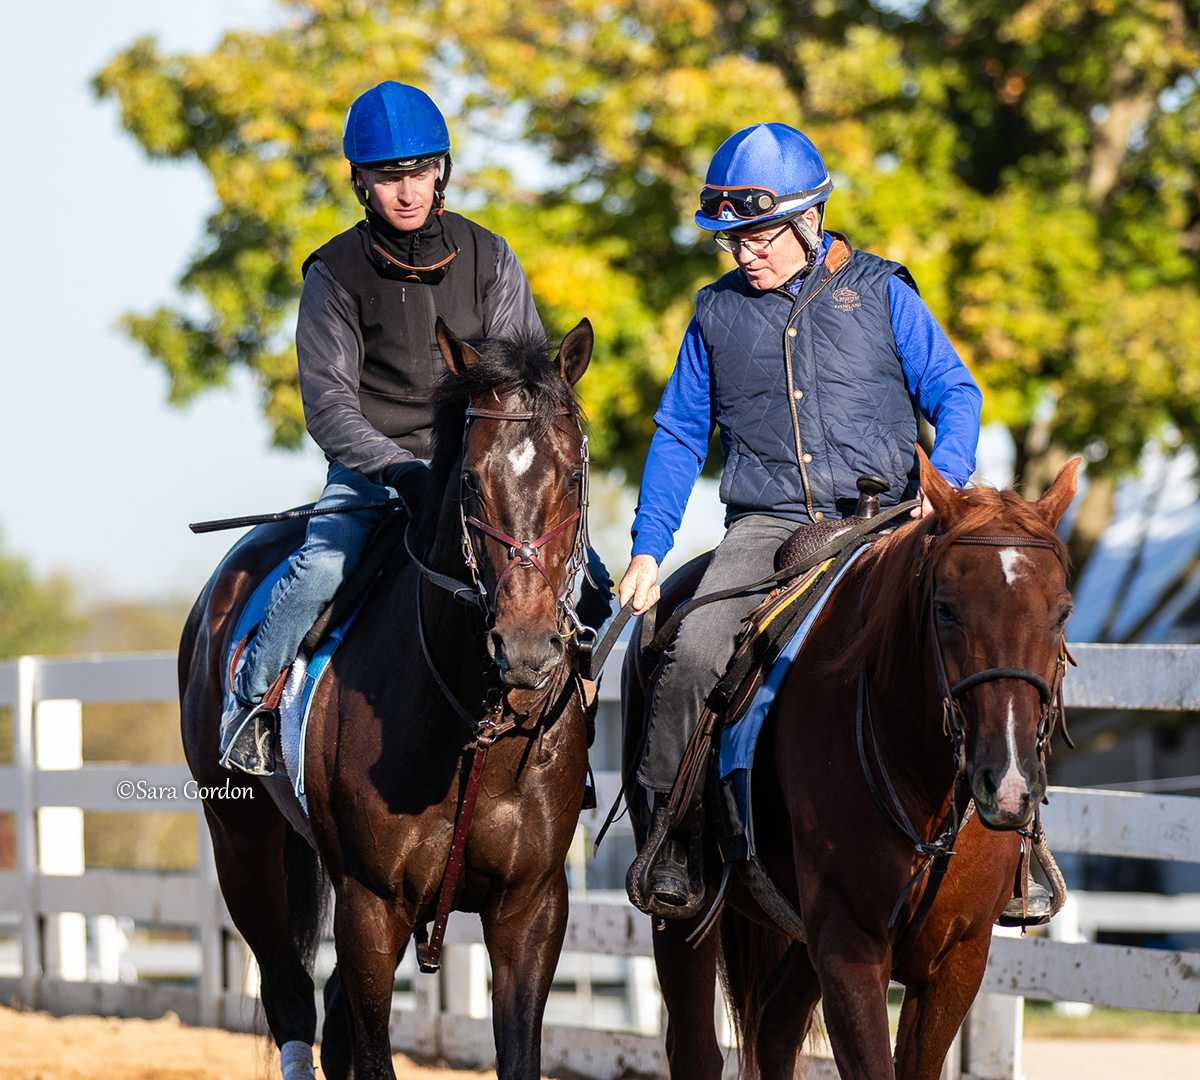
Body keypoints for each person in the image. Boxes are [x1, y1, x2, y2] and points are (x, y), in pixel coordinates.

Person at [618, 122, 984, 907]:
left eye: (755, 234)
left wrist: (944, 478)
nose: (743, 251)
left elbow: (956, 394)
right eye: (731, 240)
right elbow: (681, 432)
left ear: (808, 220)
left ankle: (1022, 846)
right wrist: (649, 547)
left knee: (986, 636)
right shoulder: (713, 314)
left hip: (888, 519)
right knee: (691, 651)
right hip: (765, 527)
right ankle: (674, 841)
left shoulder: (885, 291)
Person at [220, 81, 542, 774]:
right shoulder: (332, 274)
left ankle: (566, 734)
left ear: (442, 171)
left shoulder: (492, 257)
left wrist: (466, 467)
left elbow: (526, 383)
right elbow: (330, 406)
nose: (407, 191)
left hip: (479, 472)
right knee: (319, 570)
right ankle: (246, 711)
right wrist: (401, 471)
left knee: (581, 578)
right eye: (389, 177)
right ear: (359, 181)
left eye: (420, 172)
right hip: (375, 471)